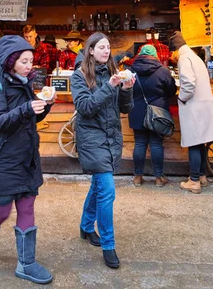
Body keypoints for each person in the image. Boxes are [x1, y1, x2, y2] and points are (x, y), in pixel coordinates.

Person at [0, 35, 54, 284]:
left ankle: (26, 264)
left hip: (27, 159)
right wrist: (27, 108)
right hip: (3, 160)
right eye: (24, 61)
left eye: (31, 60)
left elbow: (27, 119)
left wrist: (44, 106)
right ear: (10, 61)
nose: (30, 66)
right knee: (1, 212)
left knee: (27, 208)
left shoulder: (24, 84)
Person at [70, 32, 134, 269]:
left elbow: (124, 109)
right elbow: (85, 107)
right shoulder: (79, 76)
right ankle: (108, 245)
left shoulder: (114, 73)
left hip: (111, 137)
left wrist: (126, 89)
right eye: (101, 47)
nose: (106, 51)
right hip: (91, 138)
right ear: (90, 50)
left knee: (98, 185)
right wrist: (109, 86)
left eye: (108, 47)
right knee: (107, 190)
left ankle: (86, 227)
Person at [169, 31, 213, 194]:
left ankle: (194, 180)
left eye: (172, 53)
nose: (173, 57)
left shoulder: (184, 58)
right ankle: (202, 176)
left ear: (176, 49)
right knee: (201, 142)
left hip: (194, 106)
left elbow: (189, 84)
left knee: (194, 143)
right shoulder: (195, 57)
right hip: (203, 105)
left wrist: (182, 98)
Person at [129, 45, 177, 187]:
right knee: (156, 144)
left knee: (139, 143)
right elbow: (171, 90)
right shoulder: (163, 71)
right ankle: (158, 178)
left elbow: (125, 90)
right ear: (155, 55)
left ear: (140, 55)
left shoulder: (131, 70)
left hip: (136, 111)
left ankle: (137, 177)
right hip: (158, 113)